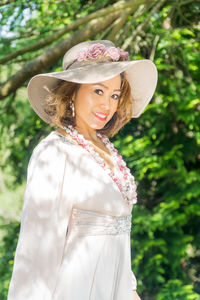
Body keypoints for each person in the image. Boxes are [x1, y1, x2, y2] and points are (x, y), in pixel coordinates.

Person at [7, 40, 158, 300]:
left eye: (114, 95)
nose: (107, 105)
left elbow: (119, 237)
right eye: (98, 91)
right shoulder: (55, 152)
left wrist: (131, 289)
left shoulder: (107, 150)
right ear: (72, 92)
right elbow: (37, 251)